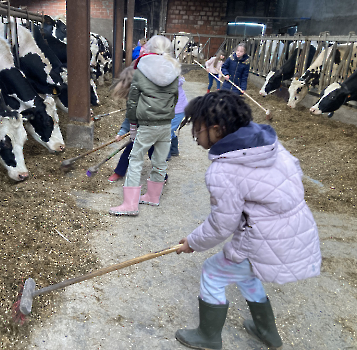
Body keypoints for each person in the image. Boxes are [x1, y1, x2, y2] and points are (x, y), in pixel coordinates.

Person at [174, 90, 322, 350]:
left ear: (218, 131)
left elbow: (222, 224)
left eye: (198, 131)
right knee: (246, 275)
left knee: (213, 271)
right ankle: (267, 332)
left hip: (264, 240)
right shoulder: (268, 144)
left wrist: (193, 243)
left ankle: (208, 336)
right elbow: (294, 176)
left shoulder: (223, 171)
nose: (195, 138)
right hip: (297, 229)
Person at [109, 35, 181, 216]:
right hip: (165, 124)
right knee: (159, 161)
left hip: (147, 124)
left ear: (149, 48)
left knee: (135, 161)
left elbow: (132, 101)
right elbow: (175, 97)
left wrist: (132, 125)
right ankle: (152, 196)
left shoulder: (141, 69)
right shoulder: (173, 71)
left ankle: (130, 205)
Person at [108, 75, 188, 183]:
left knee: (155, 154)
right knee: (129, 150)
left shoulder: (153, 98)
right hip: (141, 131)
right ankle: (119, 172)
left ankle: (162, 176)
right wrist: (122, 132)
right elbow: (129, 118)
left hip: (154, 130)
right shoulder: (133, 101)